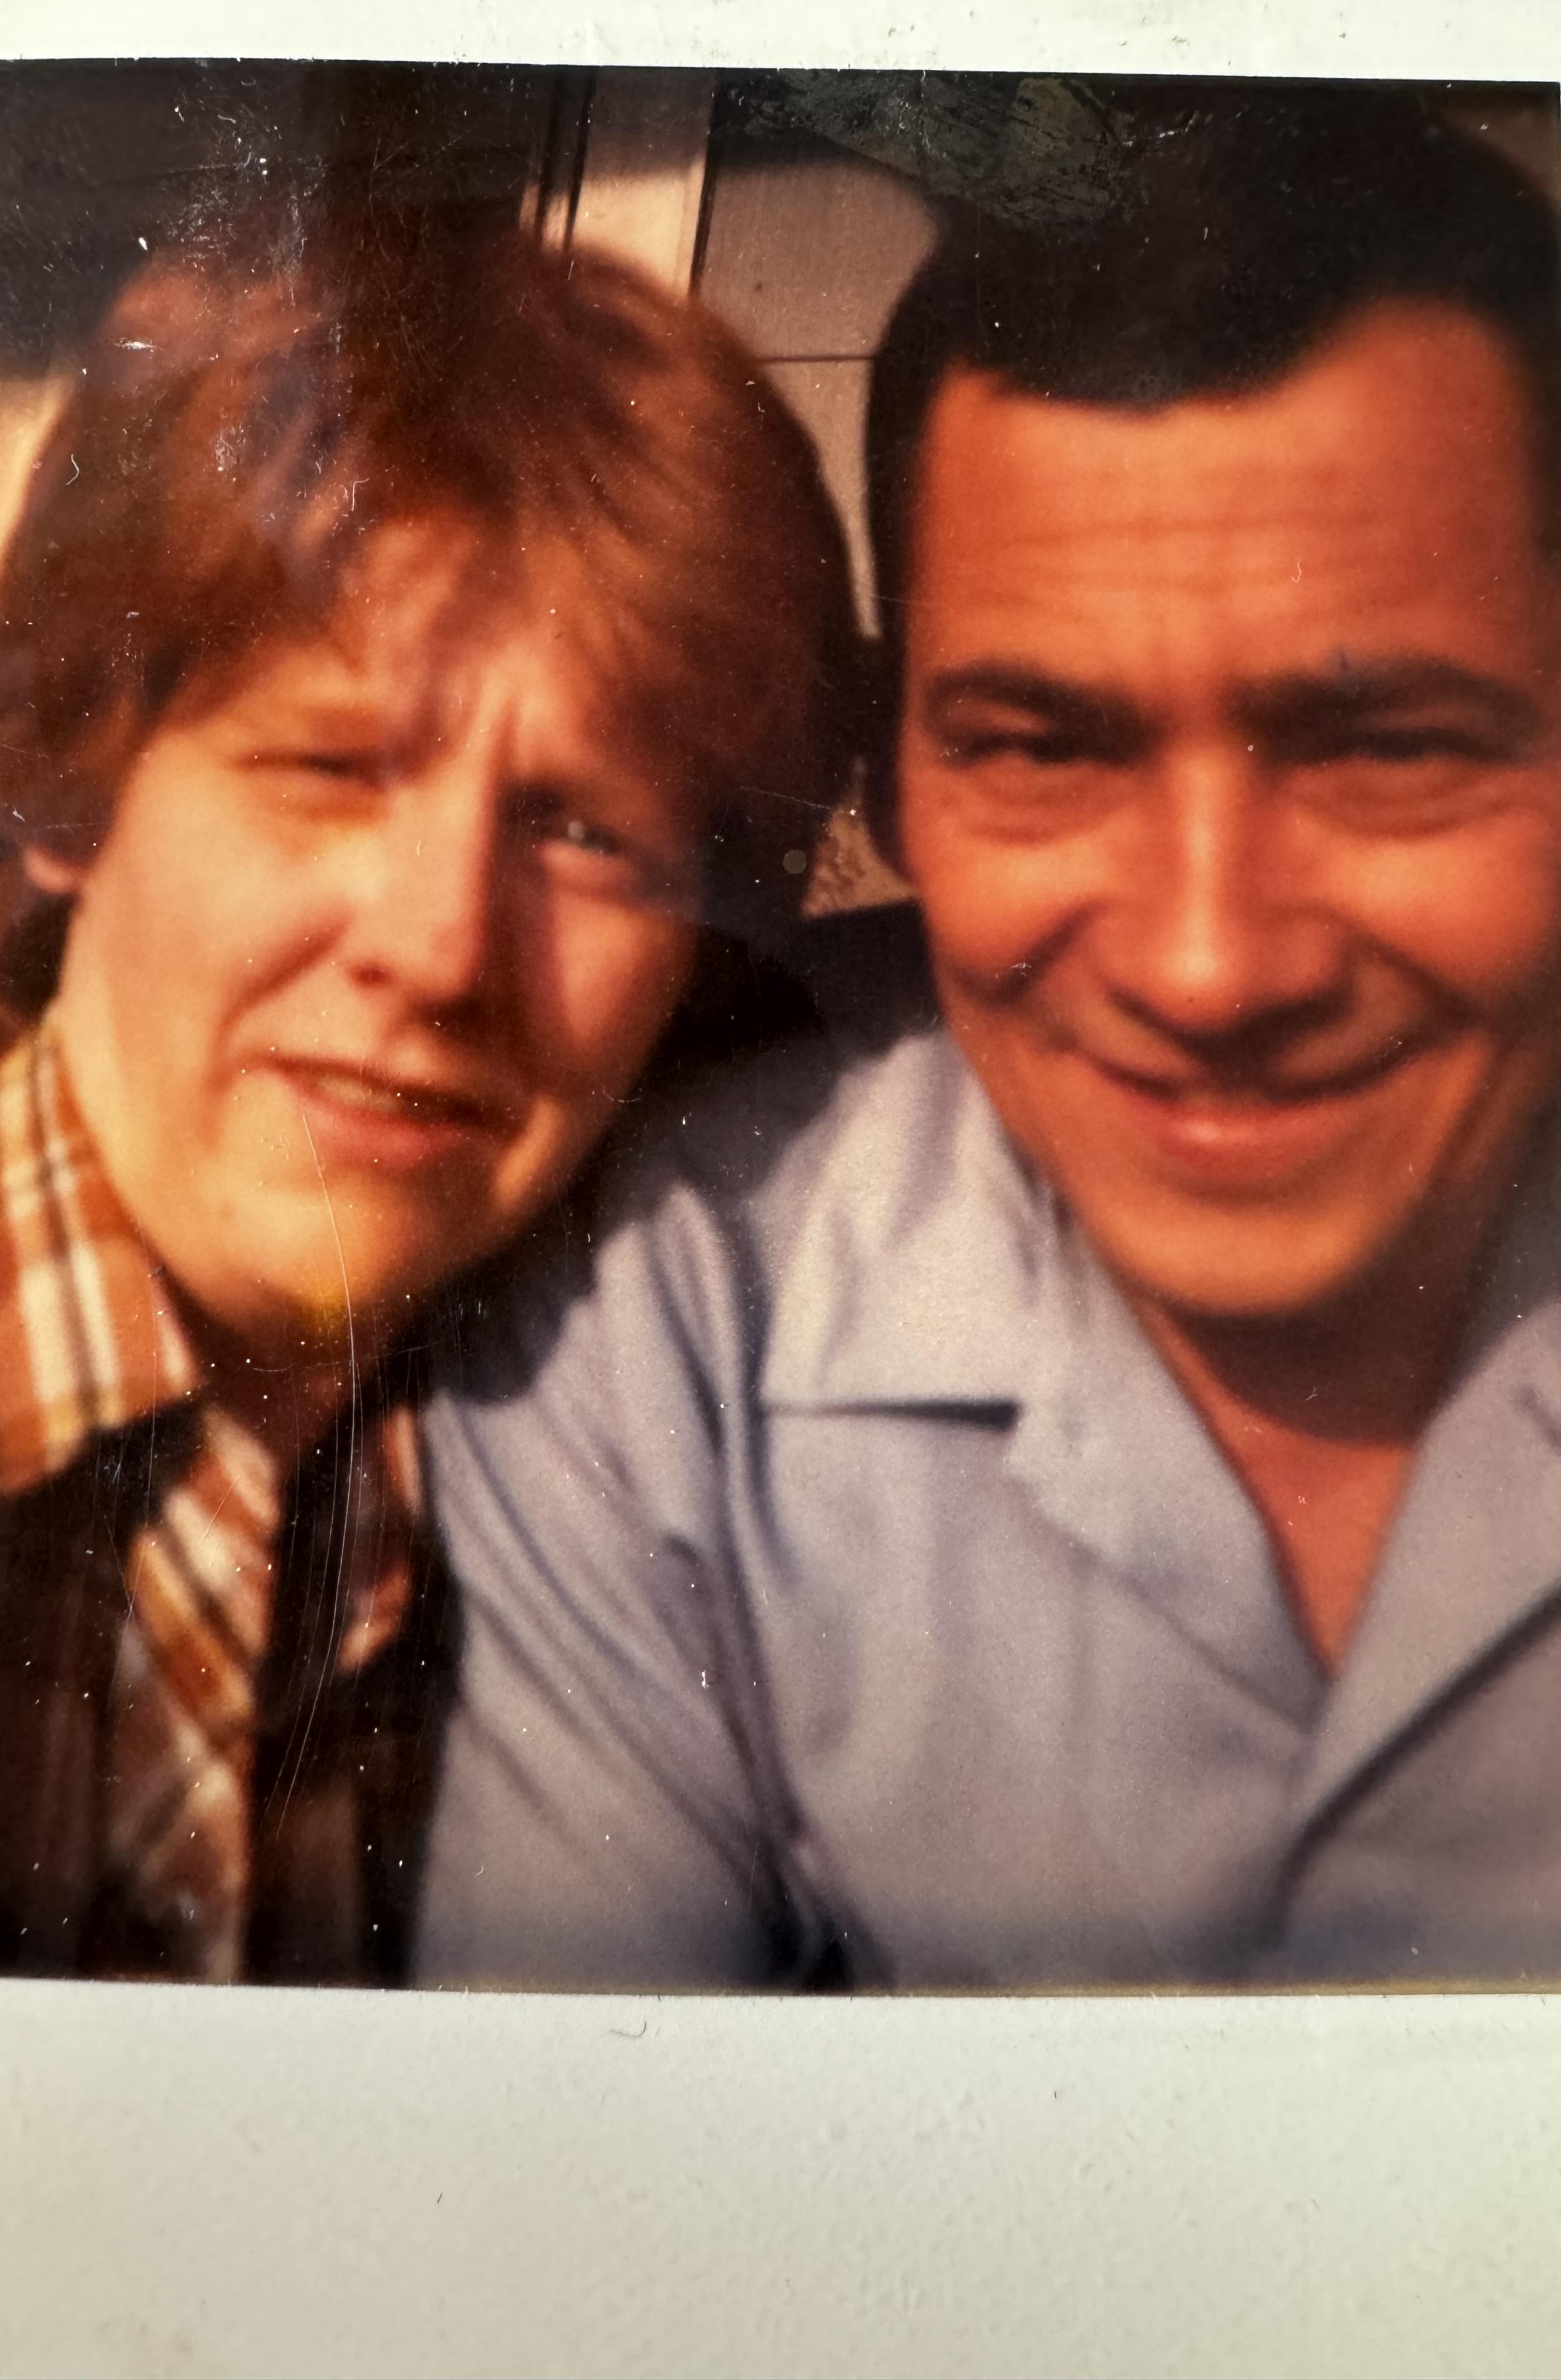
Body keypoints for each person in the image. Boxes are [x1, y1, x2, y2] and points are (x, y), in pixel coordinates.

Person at [414, 89, 1561, 1989]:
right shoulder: (669, 1335)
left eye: (1386, 748)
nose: (1209, 965)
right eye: (1041, 750)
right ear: (895, 789)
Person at [0, 204, 857, 1981]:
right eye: (329, 766)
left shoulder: (650, 1506)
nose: (443, 947)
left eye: (586, 832)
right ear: (67, 791)